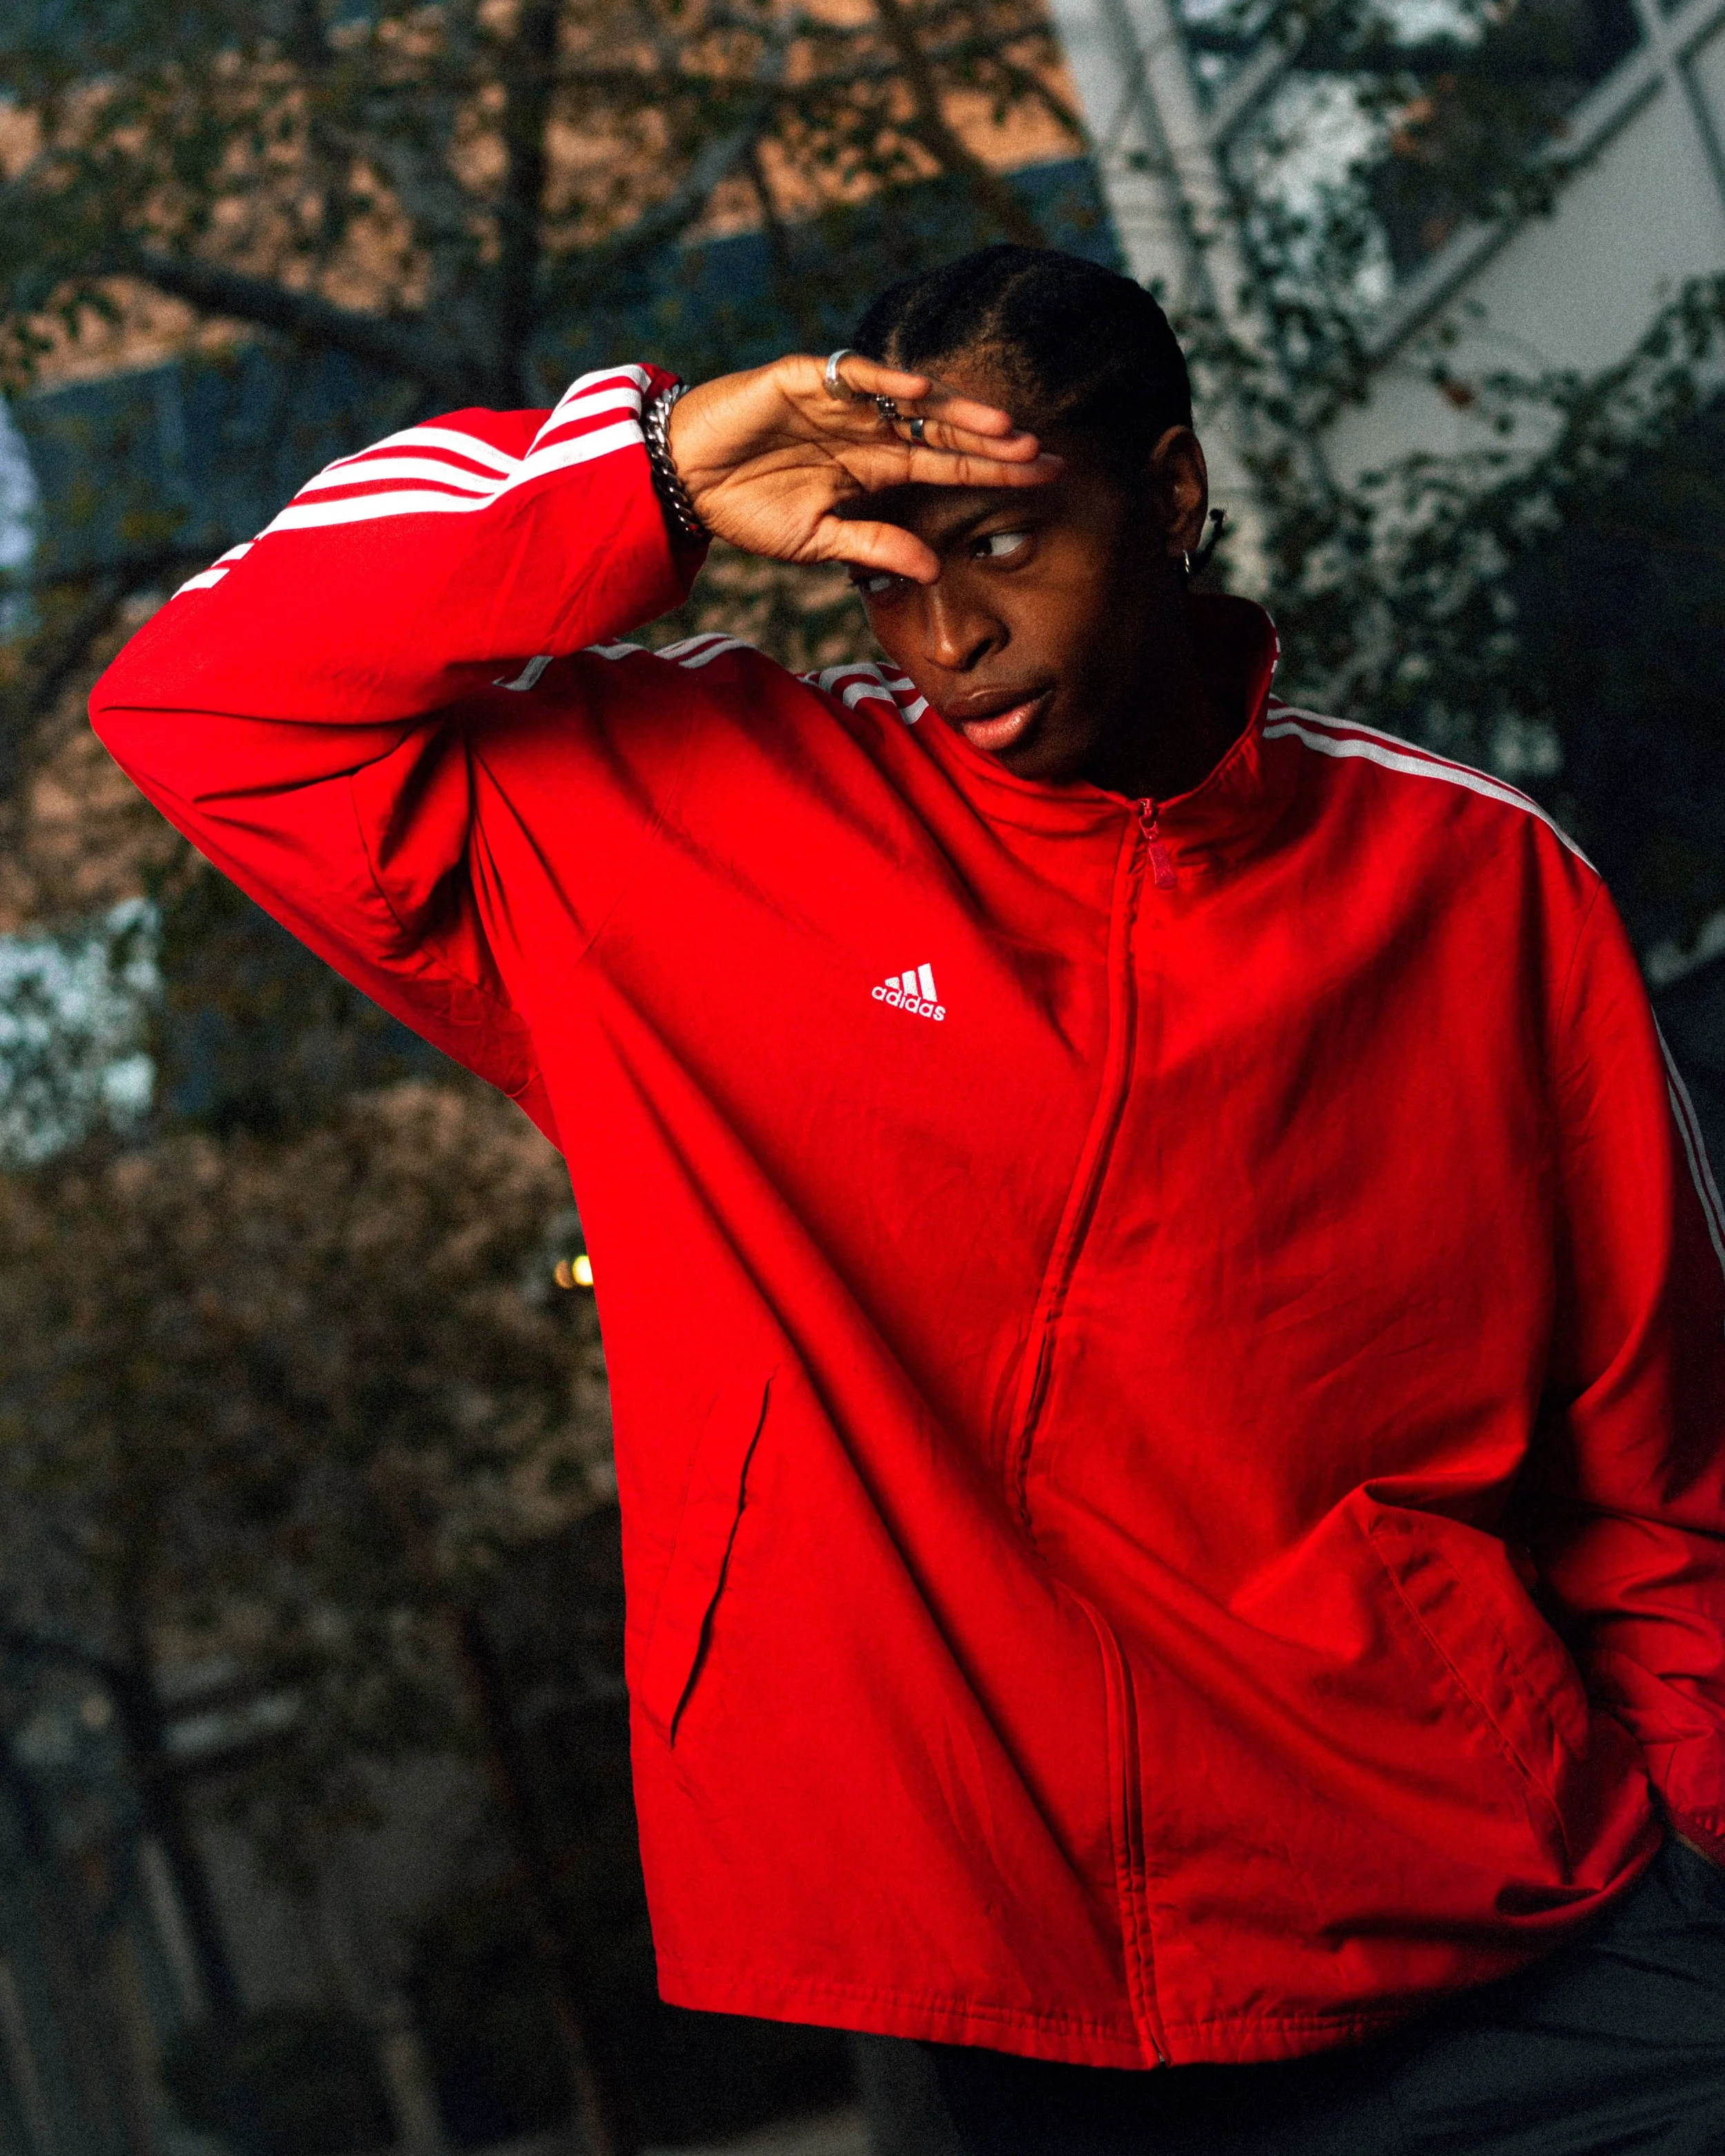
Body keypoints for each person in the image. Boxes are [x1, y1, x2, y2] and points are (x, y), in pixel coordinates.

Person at [90, 245, 1725, 2153]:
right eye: (887, 566)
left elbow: (1661, 1469)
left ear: (1173, 494)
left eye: (1003, 537)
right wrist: (666, 472)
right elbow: (206, 696)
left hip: (1511, 1932)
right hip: (1022, 1989)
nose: (946, 631)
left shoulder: (1472, 883)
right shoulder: (685, 821)